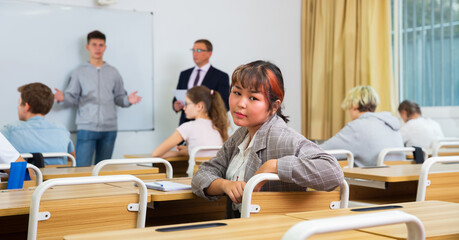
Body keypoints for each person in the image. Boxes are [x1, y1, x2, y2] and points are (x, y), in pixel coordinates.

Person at [192, 60, 344, 218]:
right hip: (242, 227)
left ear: (274, 106)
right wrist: (225, 185)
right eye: (237, 93)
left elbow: (333, 172)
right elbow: (202, 174)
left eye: (253, 98)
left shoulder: (282, 137)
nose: (240, 104)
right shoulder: (240, 136)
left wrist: (273, 166)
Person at [54, 30, 142, 166]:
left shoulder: (113, 72)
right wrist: (63, 98)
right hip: (86, 127)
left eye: (101, 45)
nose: (98, 48)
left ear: (105, 47)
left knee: (103, 170)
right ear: (87, 47)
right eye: (94, 44)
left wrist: (128, 101)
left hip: (109, 129)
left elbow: (119, 97)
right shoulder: (79, 72)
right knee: (81, 169)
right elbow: (72, 98)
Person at [153, 86, 228, 176]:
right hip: (218, 176)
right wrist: (189, 151)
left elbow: (156, 153)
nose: (184, 108)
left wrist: (179, 154)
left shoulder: (188, 127)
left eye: (187, 104)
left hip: (197, 178)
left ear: (199, 106)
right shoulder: (218, 127)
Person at [320, 86, 405, 167]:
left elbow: (320, 152)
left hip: (374, 180)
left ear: (354, 105)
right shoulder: (391, 124)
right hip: (400, 180)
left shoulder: (356, 127)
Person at [1, 83, 75, 165]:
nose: (18, 107)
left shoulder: (9, 131)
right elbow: (72, 160)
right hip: (57, 177)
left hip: (27, 177)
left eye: (19, 103)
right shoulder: (62, 130)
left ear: (26, 107)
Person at [173, 39, 230, 126]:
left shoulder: (221, 76)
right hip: (186, 123)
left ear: (209, 53)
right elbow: (177, 98)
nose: (195, 53)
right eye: (193, 50)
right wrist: (175, 106)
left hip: (209, 124)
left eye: (199, 50)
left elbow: (224, 104)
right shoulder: (184, 74)